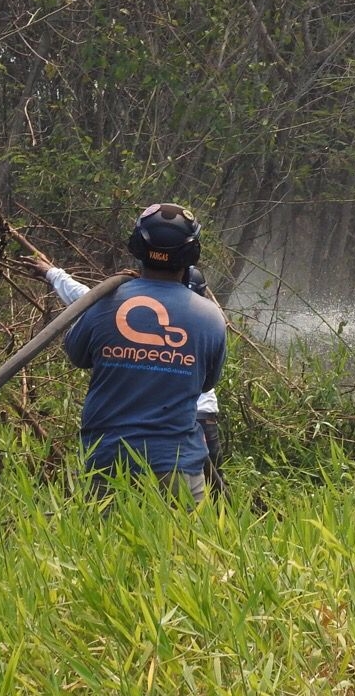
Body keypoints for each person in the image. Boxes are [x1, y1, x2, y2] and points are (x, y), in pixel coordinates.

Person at [32, 203, 226, 503]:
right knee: (188, 548)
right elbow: (206, 383)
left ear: (137, 245)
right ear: (191, 254)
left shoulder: (103, 303)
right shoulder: (210, 317)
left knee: (105, 548)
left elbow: (77, 356)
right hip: (177, 466)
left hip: (107, 462)